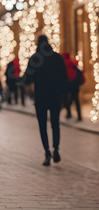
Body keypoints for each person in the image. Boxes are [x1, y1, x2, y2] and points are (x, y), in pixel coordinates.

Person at [22, 35, 67, 166]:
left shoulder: (34, 59)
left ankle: (47, 153)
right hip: (55, 96)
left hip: (40, 97)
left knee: (42, 126)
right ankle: (56, 149)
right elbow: (64, 77)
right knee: (55, 124)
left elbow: (28, 79)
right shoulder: (58, 58)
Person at [62, 52, 83, 121]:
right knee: (76, 100)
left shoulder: (62, 63)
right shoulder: (72, 63)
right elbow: (79, 73)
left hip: (66, 85)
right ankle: (79, 116)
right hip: (74, 85)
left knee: (66, 99)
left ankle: (69, 114)